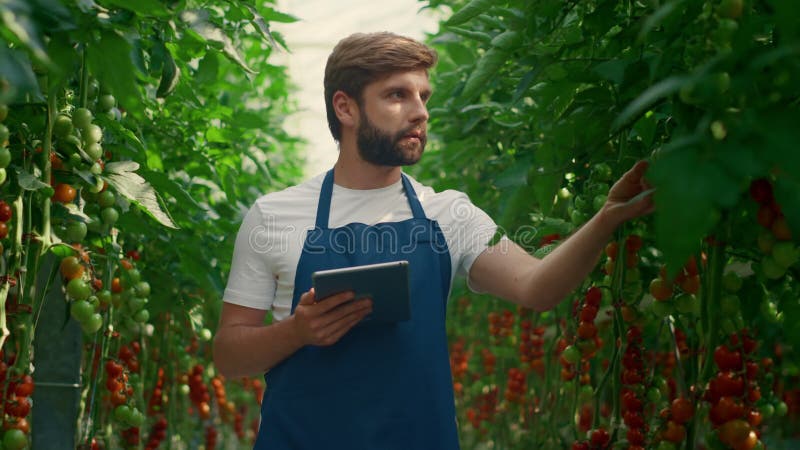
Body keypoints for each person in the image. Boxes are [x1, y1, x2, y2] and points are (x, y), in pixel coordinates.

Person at [213, 32, 653, 449]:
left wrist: (606, 219)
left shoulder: (449, 212)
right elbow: (230, 356)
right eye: (397, 95)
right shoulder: (273, 216)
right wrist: (296, 331)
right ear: (345, 109)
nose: (420, 111)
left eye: (424, 97)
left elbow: (535, 286)